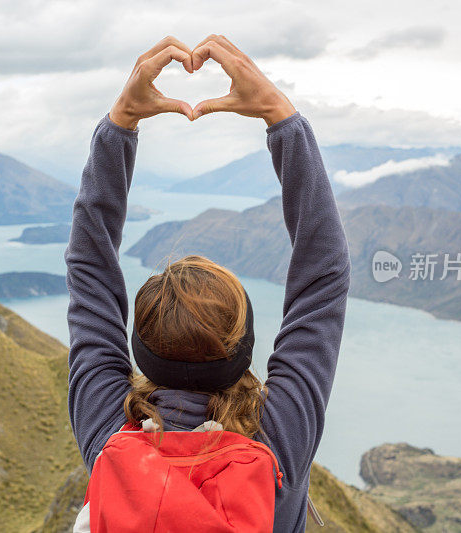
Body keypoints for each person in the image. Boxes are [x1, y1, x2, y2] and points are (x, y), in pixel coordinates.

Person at [65, 35, 351, 533]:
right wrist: (280, 116)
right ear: (242, 348)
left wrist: (119, 125)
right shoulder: (277, 444)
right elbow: (323, 274)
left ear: (140, 347)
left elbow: (89, 271)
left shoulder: (109, 436)